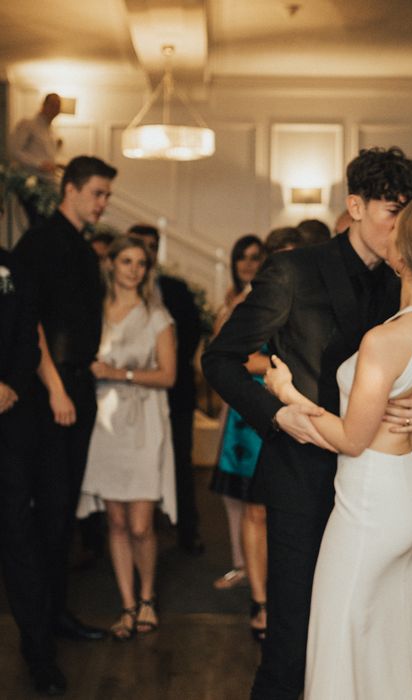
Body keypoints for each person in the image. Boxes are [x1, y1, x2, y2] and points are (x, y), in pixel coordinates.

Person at [203, 146, 412, 700]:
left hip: (378, 495)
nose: (402, 228)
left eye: (410, 215)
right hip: (304, 480)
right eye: (393, 212)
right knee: (292, 647)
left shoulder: (407, 284)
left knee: (369, 639)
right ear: (355, 206)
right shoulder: (293, 270)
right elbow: (218, 360)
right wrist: (276, 413)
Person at [265, 194, 412, 699]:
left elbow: (352, 439)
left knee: (338, 636)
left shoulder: (385, 339)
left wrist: (286, 393)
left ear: (404, 256)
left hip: (373, 504)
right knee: (393, 637)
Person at [14, 155, 117, 644]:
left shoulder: (78, 244)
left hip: (76, 384)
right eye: (97, 192)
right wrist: (55, 387)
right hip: (51, 391)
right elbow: (28, 321)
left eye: (107, 195)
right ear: (70, 189)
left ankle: (56, 613)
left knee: (62, 511)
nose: (103, 203)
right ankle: (42, 621)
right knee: (50, 510)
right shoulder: (41, 241)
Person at [77, 236, 177, 639]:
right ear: (112, 265)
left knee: (140, 523)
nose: (134, 270)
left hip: (145, 421)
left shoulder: (157, 316)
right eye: (126, 261)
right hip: (105, 424)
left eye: (141, 263)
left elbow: (168, 376)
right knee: (115, 521)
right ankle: (127, 605)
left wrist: (121, 374)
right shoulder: (94, 312)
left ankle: (148, 597)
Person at [0, 246, 67, 695]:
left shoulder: (16, 266)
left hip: (11, 416)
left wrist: (10, 385)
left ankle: (40, 653)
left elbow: (30, 337)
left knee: (19, 537)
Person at [128, 224, 204, 555]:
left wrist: (165, 366)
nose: (147, 252)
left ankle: (187, 530)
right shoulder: (116, 293)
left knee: (180, 461)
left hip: (175, 391)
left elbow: (191, 332)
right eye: (140, 246)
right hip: (131, 395)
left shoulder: (175, 288)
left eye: (152, 246)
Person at [209, 234, 270, 642]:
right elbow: (218, 357)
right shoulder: (231, 303)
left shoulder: (270, 299)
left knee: (261, 502)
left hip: (272, 403)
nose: (248, 263)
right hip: (243, 407)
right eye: (241, 257)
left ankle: (261, 572)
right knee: (241, 497)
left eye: (254, 257)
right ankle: (243, 564)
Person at [8, 93, 63, 226]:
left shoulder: (51, 132)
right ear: (43, 106)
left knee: (48, 223)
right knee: (38, 223)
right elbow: (14, 150)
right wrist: (39, 164)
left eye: (58, 106)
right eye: (53, 105)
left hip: (48, 183)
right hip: (32, 182)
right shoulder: (28, 125)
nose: (55, 109)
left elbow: (46, 156)